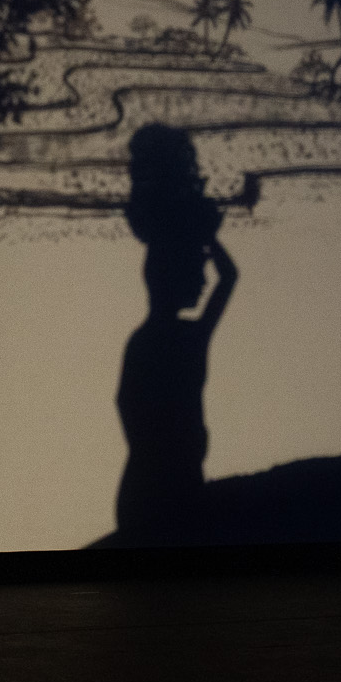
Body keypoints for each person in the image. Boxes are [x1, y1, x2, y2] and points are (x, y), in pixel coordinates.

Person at [115, 125, 239, 542]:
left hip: (151, 488)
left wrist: (200, 235)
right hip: (169, 489)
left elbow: (128, 409)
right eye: (195, 267)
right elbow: (229, 277)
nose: (202, 279)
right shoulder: (186, 338)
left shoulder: (150, 341)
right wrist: (207, 236)